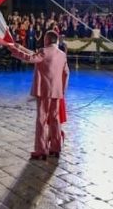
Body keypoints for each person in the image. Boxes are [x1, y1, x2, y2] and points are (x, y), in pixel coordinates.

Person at [8, 31, 70, 160]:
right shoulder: (62, 54)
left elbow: (30, 58)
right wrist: (62, 90)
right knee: (55, 119)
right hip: (57, 91)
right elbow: (66, 73)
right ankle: (56, 147)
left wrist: (14, 49)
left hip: (44, 90)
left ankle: (41, 150)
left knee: (42, 119)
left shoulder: (44, 51)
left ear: (47, 40)